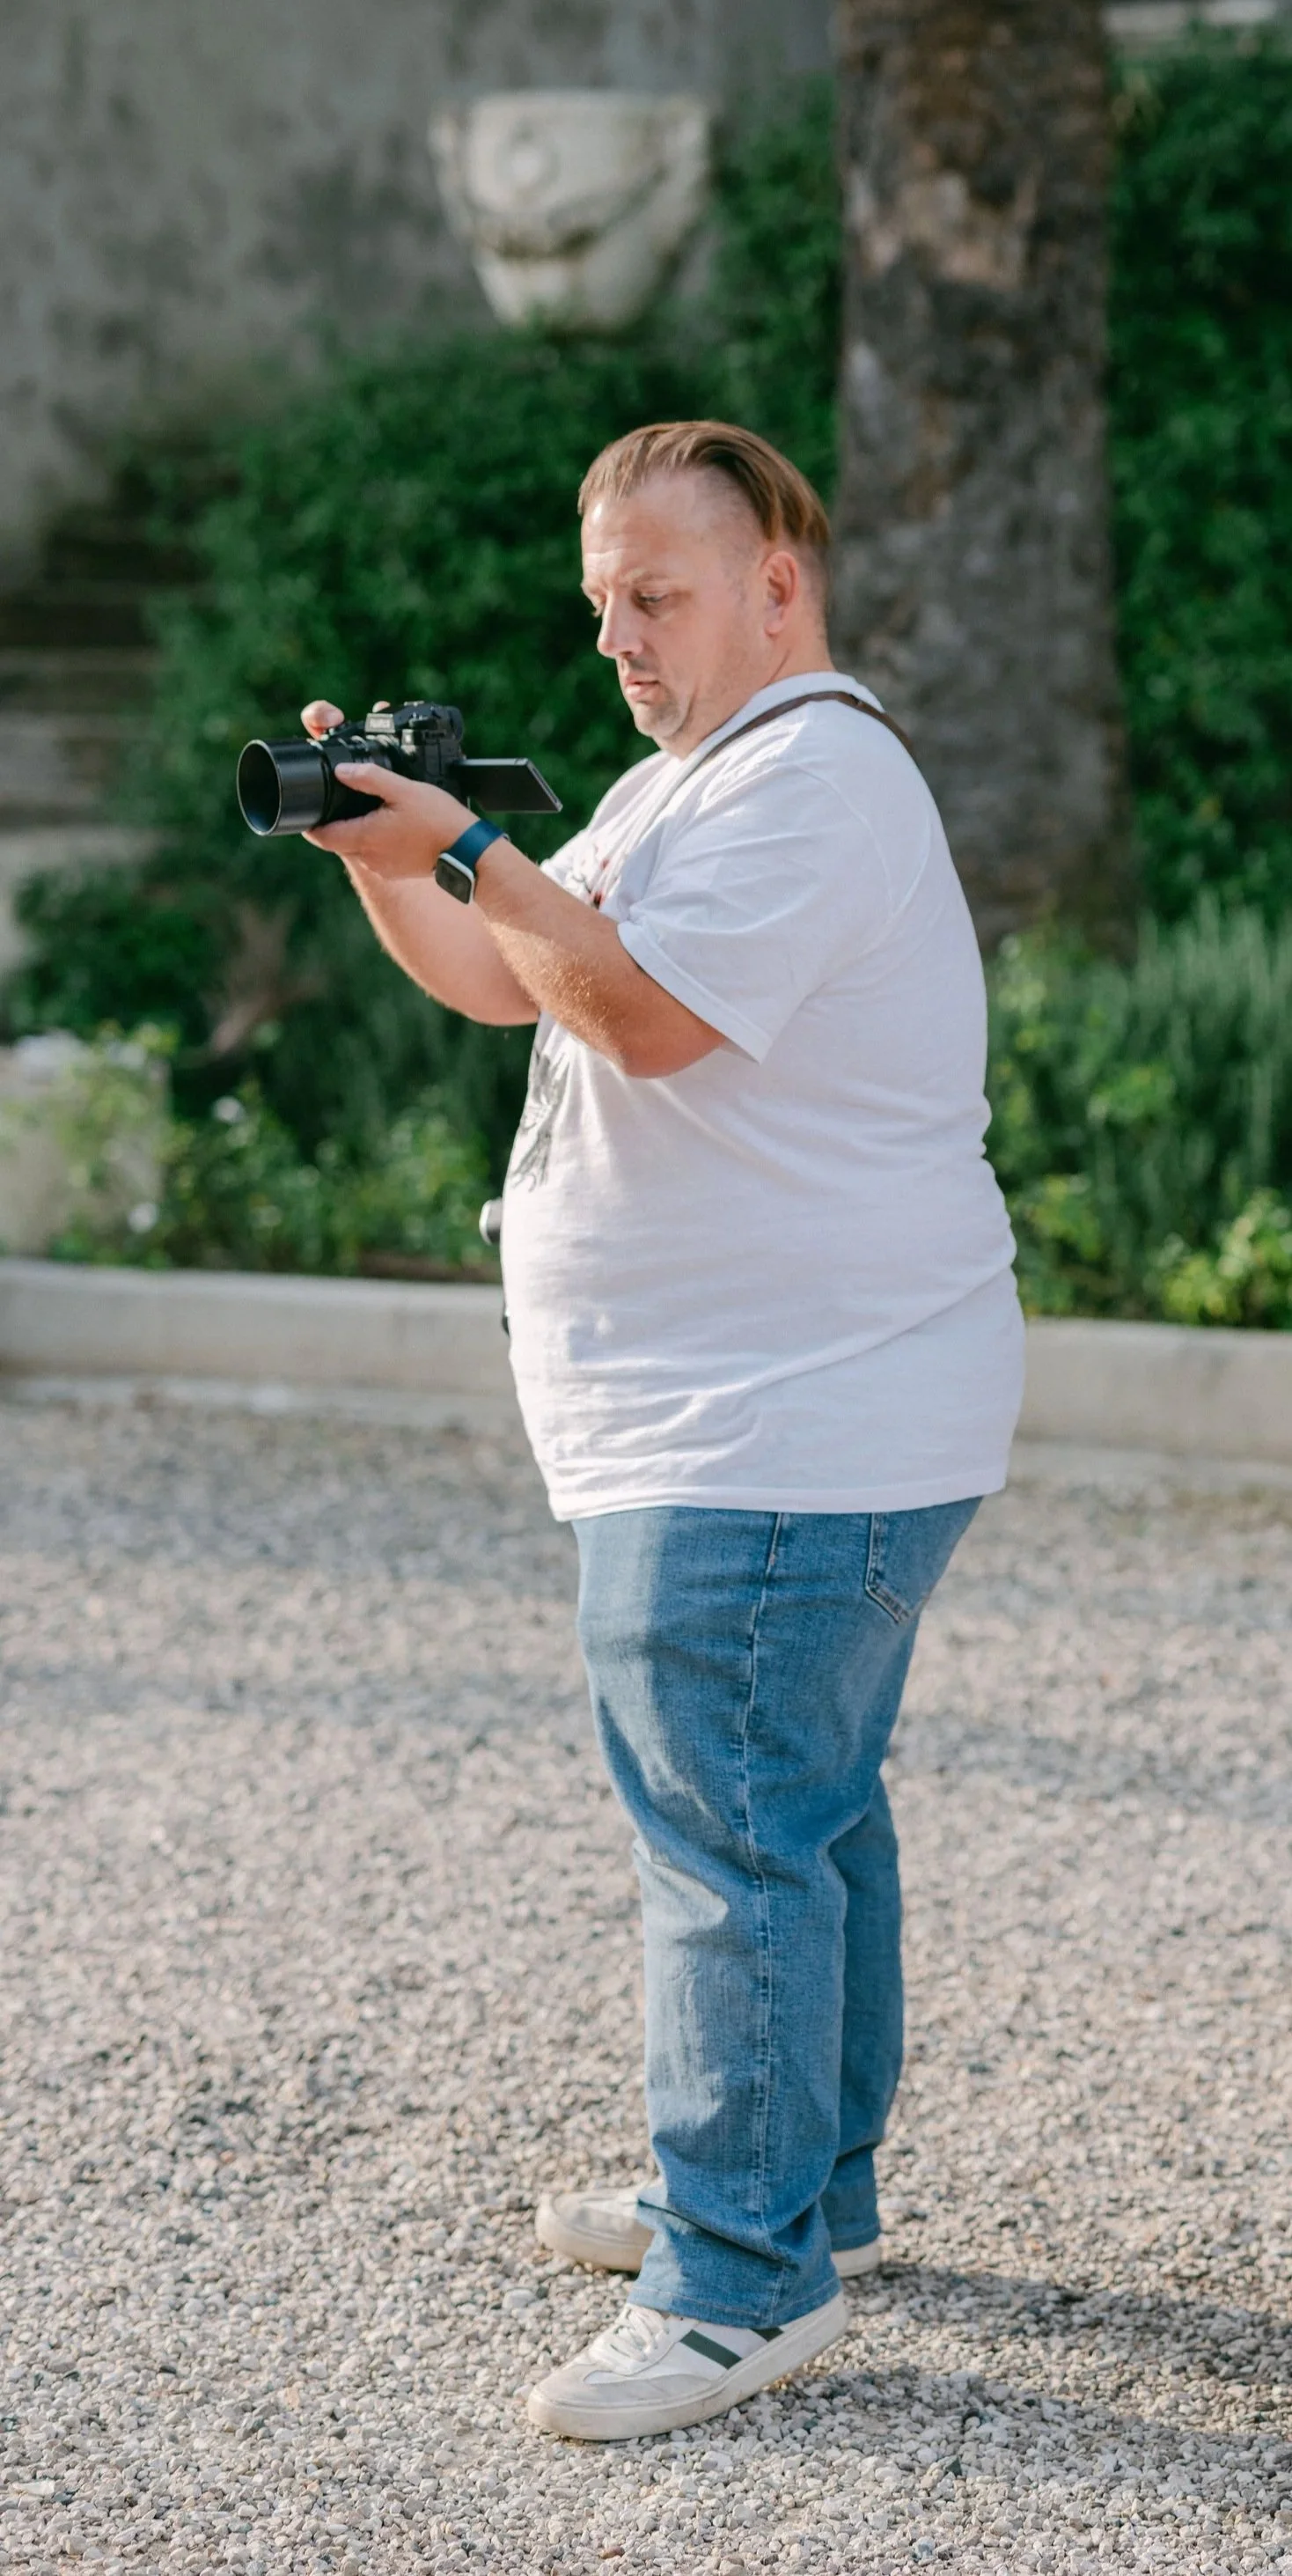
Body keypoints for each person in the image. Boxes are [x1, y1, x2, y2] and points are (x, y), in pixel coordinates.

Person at [300, 419, 1024, 2442]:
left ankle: (737, 2275)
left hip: (775, 1424)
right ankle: (809, 2189)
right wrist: (389, 854)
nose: (620, 632)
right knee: (803, 1803)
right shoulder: (680, 773)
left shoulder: (814, 775)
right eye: (603, 598)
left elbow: (637, 1014)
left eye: (659, 592)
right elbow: (504, 978)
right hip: (771, 1409)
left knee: (723, 1832)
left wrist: (468, 844)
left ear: (775, 583)